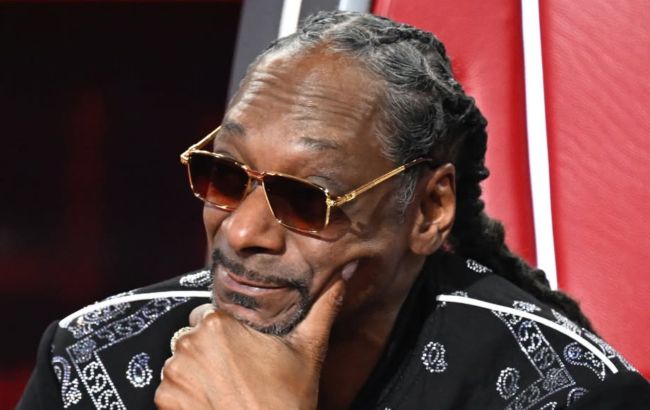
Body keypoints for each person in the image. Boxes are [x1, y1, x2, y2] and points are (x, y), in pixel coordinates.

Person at [18, 10, 650, 410]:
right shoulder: (91, 360)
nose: (241, 230)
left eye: (305, 198)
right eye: (226, 176)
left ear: (428, 210)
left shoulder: (567, 393)